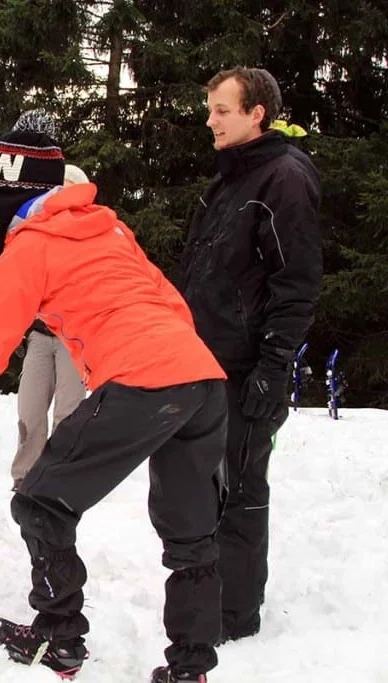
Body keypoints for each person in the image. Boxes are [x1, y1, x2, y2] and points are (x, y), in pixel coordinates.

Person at [0, 110, 228, 683]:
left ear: (8, 194)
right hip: (201, 378)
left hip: (141, 380)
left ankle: (61, 637)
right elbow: (170, 301)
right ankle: (191, 667)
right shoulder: (108, 226)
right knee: (191, 533)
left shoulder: (27, 250)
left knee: (38, 502)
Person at [179, 67, 322, 644]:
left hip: (248, 367)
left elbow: (298, 282)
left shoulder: (284, 178)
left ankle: (235, 614)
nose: (209, 120)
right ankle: (213, 598)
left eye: (221, 110)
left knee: (241, 486)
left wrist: (273, 365)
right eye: (209, 109)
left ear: (256, 112)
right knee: (207, 484)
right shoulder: (233, 176)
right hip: (207, 360)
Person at [11, 162, 89, 491]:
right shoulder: (36, 233)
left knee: (68, 413)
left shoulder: (92, 233)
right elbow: (19, 286)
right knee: (30, 409)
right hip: (40, 336)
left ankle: (60, 479)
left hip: (75, 336)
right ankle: (25, 477)